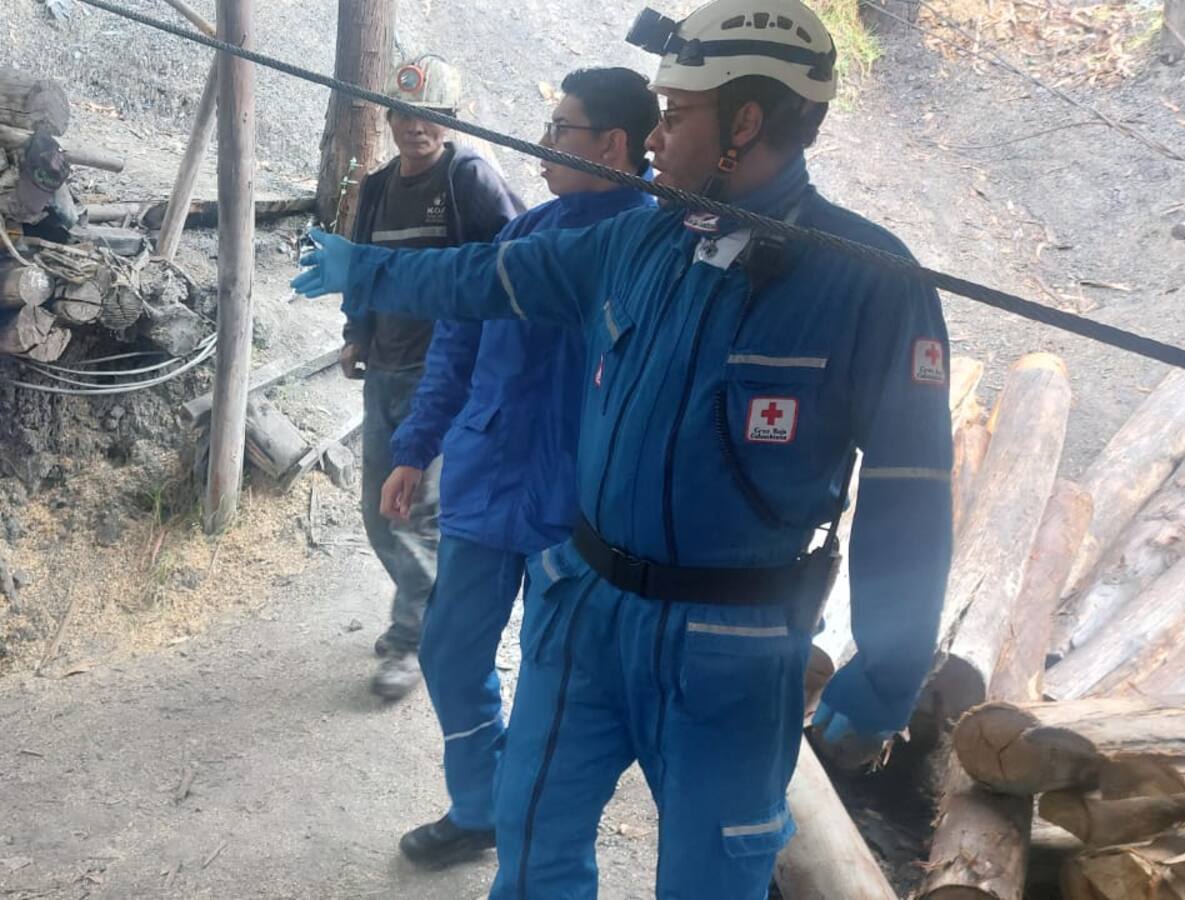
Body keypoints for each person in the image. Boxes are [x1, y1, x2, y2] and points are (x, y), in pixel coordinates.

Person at [294, 1, 953, 895]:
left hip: (736, 644)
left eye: (675, 117)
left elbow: (911, 498)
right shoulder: (638, 239)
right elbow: (482, 277)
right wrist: (361, 266)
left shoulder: (872, 281)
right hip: (584, 611)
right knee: (532, 843)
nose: (657, 141)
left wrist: (890, 667)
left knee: (710, 877)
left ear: (745, 124)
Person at [381, 67, 660, 869]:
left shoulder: (649, 250)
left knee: (551, 680)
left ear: (611, 145)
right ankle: (481, 806)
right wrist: (415, 449)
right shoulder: (524, 234)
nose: (542, 146)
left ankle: (530, 824)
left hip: (574, 510)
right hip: (482, 485)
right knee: (449, 650)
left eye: (559, 130)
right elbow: (456, 346)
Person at [342, 54, 522, 700]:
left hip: (445, 376)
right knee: (374, 511)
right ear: (390, 116)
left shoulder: (468, 178)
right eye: (405, 113)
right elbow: (360, 266)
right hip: (385, 367)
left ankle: (414, 638)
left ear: (449, 122)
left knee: (414, 512)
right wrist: (355, 332)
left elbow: (518, 260)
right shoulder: (379, 186)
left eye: (431, 116)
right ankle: (433, 609)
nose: (416, 127)